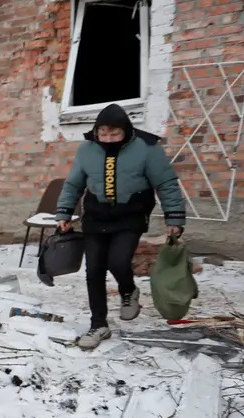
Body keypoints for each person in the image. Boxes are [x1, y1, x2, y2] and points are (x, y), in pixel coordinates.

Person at [54, 103, 186, 350]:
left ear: (126, 130)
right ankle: (98, 324)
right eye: (103, 133)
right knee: (94, 270)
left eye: (114, 134)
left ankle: (128, 290)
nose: (108, 139)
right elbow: (73, 184)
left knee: (117, 261)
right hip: (96, 215)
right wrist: (64, 212)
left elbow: (166, 184)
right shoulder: (86, 150)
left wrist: (175, 218)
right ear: (96, 131)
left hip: (130, 215)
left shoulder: (147, 148)